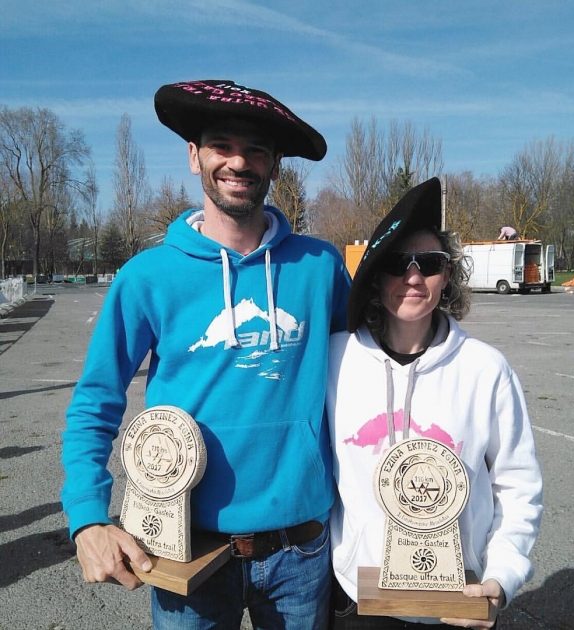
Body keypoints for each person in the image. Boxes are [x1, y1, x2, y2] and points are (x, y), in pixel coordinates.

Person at [61, 79, 351, 630]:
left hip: (303, 551)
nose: (239, 161)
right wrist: (87, 519)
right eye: (222, 144)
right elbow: (95, 401)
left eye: (257, 149)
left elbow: (365, 378)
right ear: (194, 156)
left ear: (276, 164)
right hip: (182, 549)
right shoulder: (147, 276)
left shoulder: (320, 267)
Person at [326, 178, 543, 629]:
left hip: (458, 599)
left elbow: (517, 484)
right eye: (396, 264)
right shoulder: (335, 360)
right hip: (361, 598)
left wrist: (502, 575)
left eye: (428, 263)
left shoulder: (486, 369)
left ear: (447, 276)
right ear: (373, 276)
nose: (412, 277)